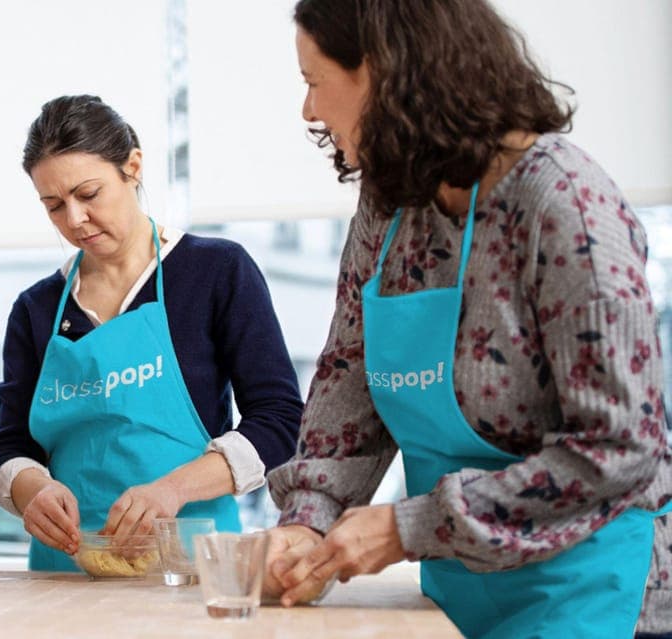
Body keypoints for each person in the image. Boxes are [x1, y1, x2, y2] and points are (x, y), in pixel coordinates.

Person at [264, 1, 672, 637]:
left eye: (314, 82)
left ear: (384, 73)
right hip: (458, 594)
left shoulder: (566, 206)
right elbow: (348, 382)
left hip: (591, 592)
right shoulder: (389, 205)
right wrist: (306, 524)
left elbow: (619, 447)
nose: (309, 111)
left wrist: (409, 527)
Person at [0, 95, 303, 571]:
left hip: (192, 565)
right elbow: (10, 447)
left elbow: (279, 420)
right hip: (65, 573)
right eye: (54, 206)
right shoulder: (37, 308)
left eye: (88, 194)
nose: (73, 220)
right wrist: (34, 489)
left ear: (132, 167)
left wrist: (172, 489)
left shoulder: (215, 272)